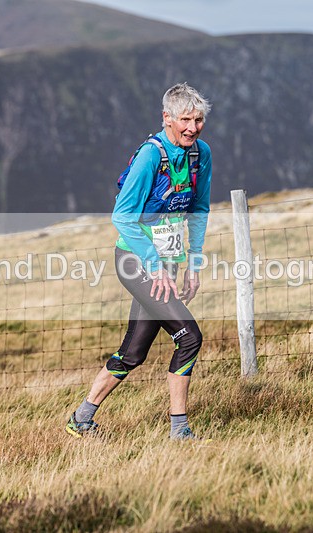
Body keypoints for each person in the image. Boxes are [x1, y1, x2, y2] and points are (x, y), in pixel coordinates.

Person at [66, 83, 212, 440]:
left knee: (133, 353)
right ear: (167, 118)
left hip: (169, 263)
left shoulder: (200, 154)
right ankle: (180, 430)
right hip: (135, 262)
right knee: (189, 337)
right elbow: (122, 216)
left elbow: (199, 210)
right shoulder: (150, 156)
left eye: (199, 120)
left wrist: (192, 264)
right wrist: (155, 265)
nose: (192, 127)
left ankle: (81, 418)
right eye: (185, 120)